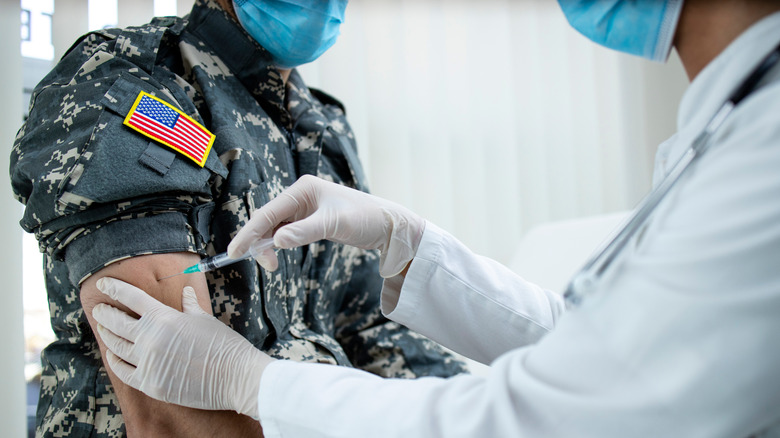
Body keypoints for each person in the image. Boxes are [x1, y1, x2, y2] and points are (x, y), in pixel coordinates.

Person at [90, 0, 780, 436]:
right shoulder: (124, 78)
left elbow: (555, 412)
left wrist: (252, 382)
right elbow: (601, 353)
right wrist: (410, 246)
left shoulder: (762, 154)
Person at [9, 0, 467, 436]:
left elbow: (369, 327)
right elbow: (167, 415)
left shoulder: (322, 123)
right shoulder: (136, 81)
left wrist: (475, 416)